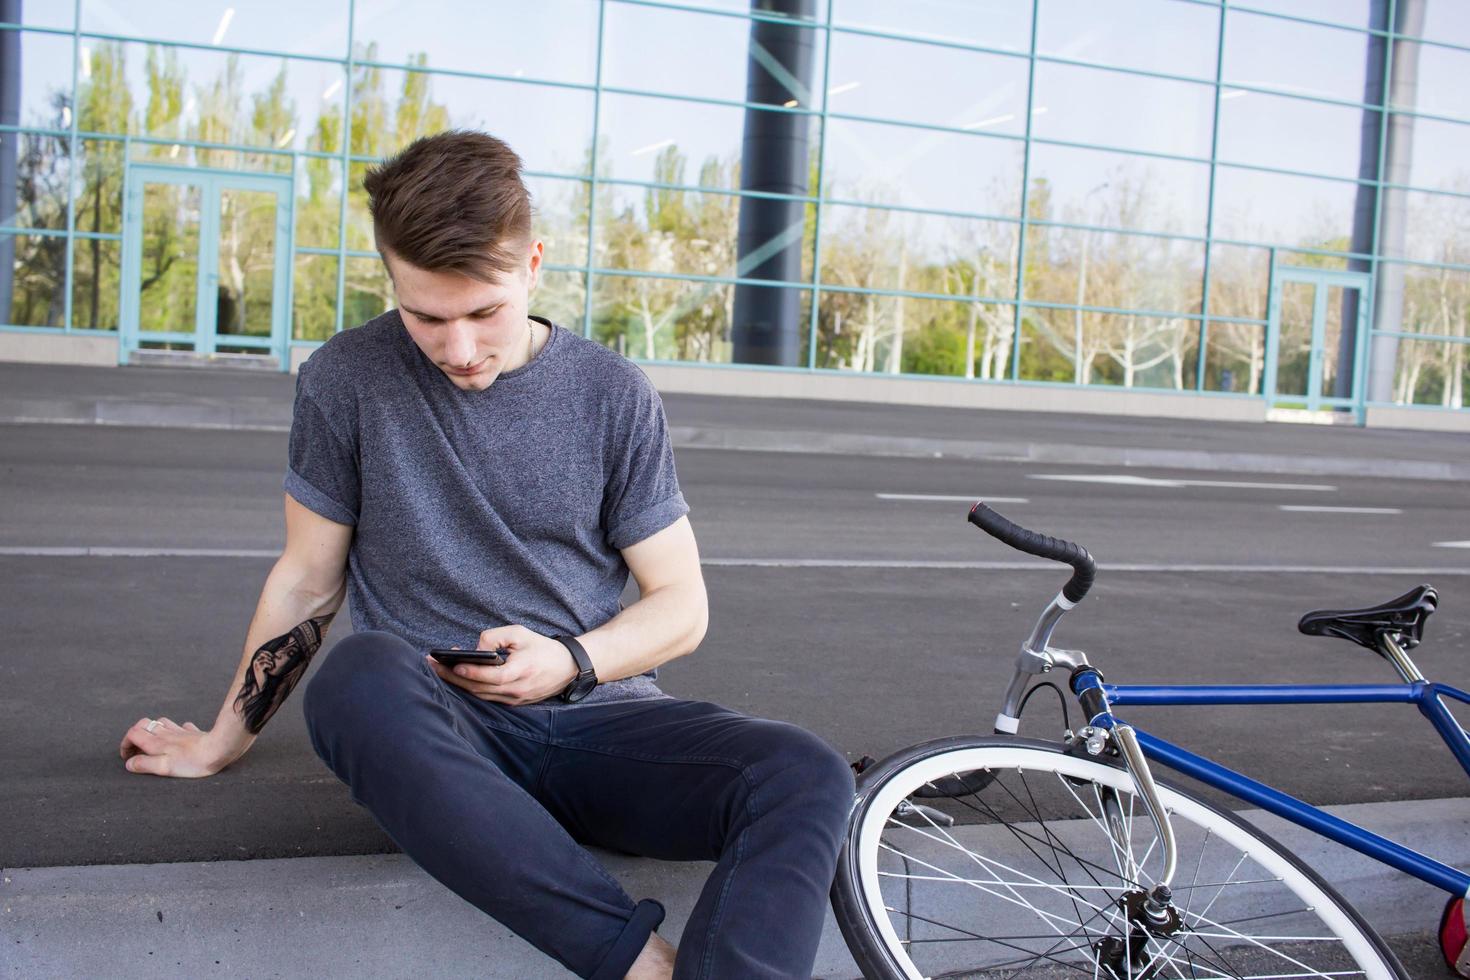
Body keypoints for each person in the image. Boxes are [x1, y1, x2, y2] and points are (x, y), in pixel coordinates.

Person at [117, 129, 855, 980]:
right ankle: (639, 967)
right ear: (389, 277)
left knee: (805, 773)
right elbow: (306, 583)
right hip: (445, 734)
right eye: (426, 316)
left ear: (532, 263)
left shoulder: (612, 394)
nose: (458, 349)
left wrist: (571, 660)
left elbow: (680, 605)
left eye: (483, 313)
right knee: (358, 681)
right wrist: (221, 741)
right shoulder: (344, 379)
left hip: (604, 725)